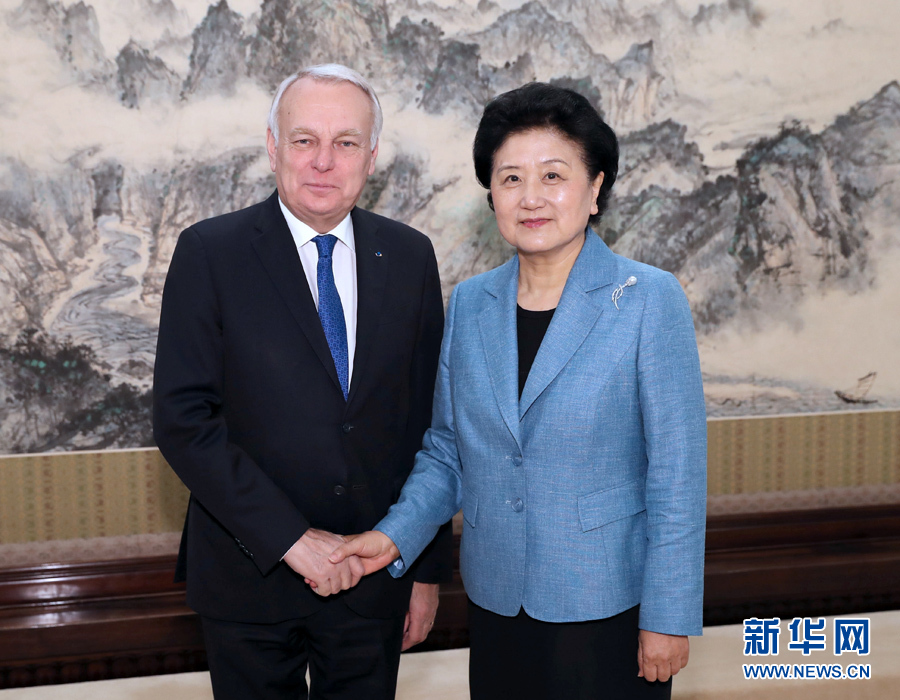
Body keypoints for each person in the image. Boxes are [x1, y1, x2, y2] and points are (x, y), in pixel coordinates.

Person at [330, 82, 707, 699]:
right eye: (510, 179)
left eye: (553, 175)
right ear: (492, 196)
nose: (531, 197)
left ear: (595, 189)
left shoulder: (648, 300)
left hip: (607, 604)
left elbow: (678, 475)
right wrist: (393, 534)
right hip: (497, 600)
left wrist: (668, 615)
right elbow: (448, 453)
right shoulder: (472, 303)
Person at [152, 63, 451, 700]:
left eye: (345, 142)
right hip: (248, 575)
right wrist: (290, 539)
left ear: (371, 157)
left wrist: (422, 569)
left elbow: (429, 425)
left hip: (373, 575)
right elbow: (184, 421)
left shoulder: (410, 255)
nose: (323, 161)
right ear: (273, 146)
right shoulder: (209, 253)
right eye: (304, 139)